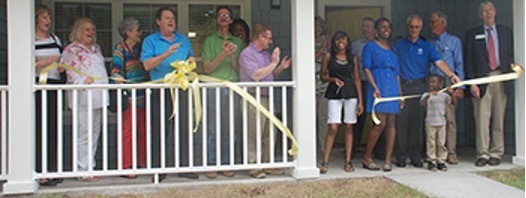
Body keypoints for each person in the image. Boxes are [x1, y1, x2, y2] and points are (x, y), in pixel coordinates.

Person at [393, 15, 460, 168]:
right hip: (403, 86)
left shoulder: (427, 47)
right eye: (411, 27)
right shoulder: (398, 45)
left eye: (417, 27)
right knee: (402, 123)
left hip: (420, 87)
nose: (414, 30)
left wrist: (451, 75)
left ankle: (416, 156)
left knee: (417, 124)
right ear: (407, 27)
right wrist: (398, 92)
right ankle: (401, 156)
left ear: (420, 28)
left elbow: (439, 62)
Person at [141, 7, 197, 181]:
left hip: (181, 88)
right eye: (166, 18)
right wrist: (166, 54)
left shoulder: (183, 40)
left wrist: (189, 64)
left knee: (184, 128)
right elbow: (147, 65)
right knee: (159, 129)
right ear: (158, 21)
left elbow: (192, 58)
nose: (171, 21)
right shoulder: (150, 41)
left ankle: (185, 167)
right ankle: (159, 169)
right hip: (160, 89)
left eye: (172, 18)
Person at [464, 1, 513, 167]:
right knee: (482, 119)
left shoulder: (506, 33)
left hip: (500, 77)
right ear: (480, 15)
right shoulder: (472, 34)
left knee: (498, 118)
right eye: (484, 11)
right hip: (481, 81)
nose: (488, 13)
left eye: (490, 10)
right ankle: (483, 153)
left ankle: (496, 152)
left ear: (496, 12)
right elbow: (468, 62)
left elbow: (512, 56)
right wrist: (472, 84)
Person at [239, 23, 291, 179]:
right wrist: (274, 62)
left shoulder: (265, 54)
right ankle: (254, 165)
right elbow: (256, 75)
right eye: (268, 38)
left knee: (270, 132)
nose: (270, 41)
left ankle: (267, 164)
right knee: (254, 131)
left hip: (267, 96)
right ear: (260, 37)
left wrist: (280, 67)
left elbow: (269, 74)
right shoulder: (247, 53)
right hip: (253, 97)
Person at [62, 17, 107, 182]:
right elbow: (70, 72)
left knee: (94, 132)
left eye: (92, 29)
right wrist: (82, 81)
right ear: (78, 31)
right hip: (82, 96)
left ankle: (90, 166)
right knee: (83, 133)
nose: (90, 33)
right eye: (86, 29)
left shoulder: (96, 48)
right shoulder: (72, 49)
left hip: (98, 96)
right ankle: (82, 169)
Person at [201, 6, 243, 179]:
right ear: (216, 20)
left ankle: (227, 164)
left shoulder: (238, 42)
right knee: (213, 128)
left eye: (227, 15)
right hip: (214, 87)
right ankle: (212, 164)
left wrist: (232, 55)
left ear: (231, 20)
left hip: (232, 87)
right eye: (221, 15)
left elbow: (241, 70)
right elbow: (208, 68)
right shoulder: (210, 41)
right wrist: (223, 53)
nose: (224, 18)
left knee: (229, 128)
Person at [318, 31, 363, 174]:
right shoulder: (328, 56)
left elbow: (356, 78)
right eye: (338, 40)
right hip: (334, 92)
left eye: (343, 39)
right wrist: (333, 80)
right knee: (333, 127)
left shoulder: (352, 58)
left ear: (348, 42)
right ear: (334, 42)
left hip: (350, 93)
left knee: (349, 127)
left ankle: (348, 161)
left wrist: (361, 101)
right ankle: (325, 161)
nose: (341, 42)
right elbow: (322, 76)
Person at [361, 18, 401, 172]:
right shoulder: (370, 47)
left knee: (391, 124)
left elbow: (397, 73)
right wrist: (374, 87)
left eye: (388, 27)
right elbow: (366, 68)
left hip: (393, 89)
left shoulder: (392, 49)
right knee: (379, 124)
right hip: (378, 86)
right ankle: (367, 157)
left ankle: (388, 160)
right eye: (383, 27)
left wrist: (400, 94)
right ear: (376, 30)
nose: (386, 30)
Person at [111, 17, 149, 178]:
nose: (139, 33)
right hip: (129, 96)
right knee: (128, 131)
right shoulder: (120, 48)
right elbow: (115, 71)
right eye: (136, 30)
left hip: (144, 94)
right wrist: (121, 81)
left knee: (143, 131)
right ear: (128, 33)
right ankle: (126, 166)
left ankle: (141, 162)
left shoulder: (141, 48)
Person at [428, 11, 465, 165]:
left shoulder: (454, 41)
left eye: (433, 22)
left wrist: (460, 86)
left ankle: (451, 153)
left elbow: (459, 64)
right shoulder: (429, 43)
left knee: (449, 119)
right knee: (432, 119)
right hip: (433, 82)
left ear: (443, 23)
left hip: (449, 82)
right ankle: (433, 153)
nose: (431, 25)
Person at [34, 5, 65, 186]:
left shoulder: (55, 38)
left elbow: (61, 61)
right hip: (38, 85)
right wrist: (46, 61)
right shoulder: (30, 38)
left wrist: (60, 65)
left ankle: (52, 168)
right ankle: (39, 169)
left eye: (49, 18)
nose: (48, 21)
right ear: (36, 19)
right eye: (44, 17)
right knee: (39, 127)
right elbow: (28, 64)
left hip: (54, 85)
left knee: (53, 127)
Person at [351, 17, 382, 158]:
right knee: (359, 117)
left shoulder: (380, 45)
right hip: (362, 83)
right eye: (363, 26)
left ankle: (377, 149)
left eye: (368, 26)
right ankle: (353, 148)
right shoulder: (356, 45)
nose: (365, 29)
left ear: (375, 29)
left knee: (378, 117)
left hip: (378, 84)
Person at [420, 74, 456, 172]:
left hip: (441, 122)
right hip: (430, 122)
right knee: (431, 142)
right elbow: (421, 104)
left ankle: (441, 160)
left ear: (440, 83)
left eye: (434, 82)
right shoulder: (426, 94)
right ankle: (431, 160)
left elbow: (453, 103)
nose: (431, 84)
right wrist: (428, 96)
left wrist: (452, 94)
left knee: (441, 143)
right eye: (430, 81)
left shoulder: (444, 95)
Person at [314, 16, 330, 156]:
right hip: (309, 85)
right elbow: (310, 57)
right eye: (314, 26)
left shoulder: (328, 42)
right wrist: (323, 47)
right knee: (309, 117)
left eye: (319, 27)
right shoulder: (305, 40)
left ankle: (325, 149)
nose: (316, 29)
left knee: (323, 118)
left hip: (324, 84)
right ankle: (309, 149)